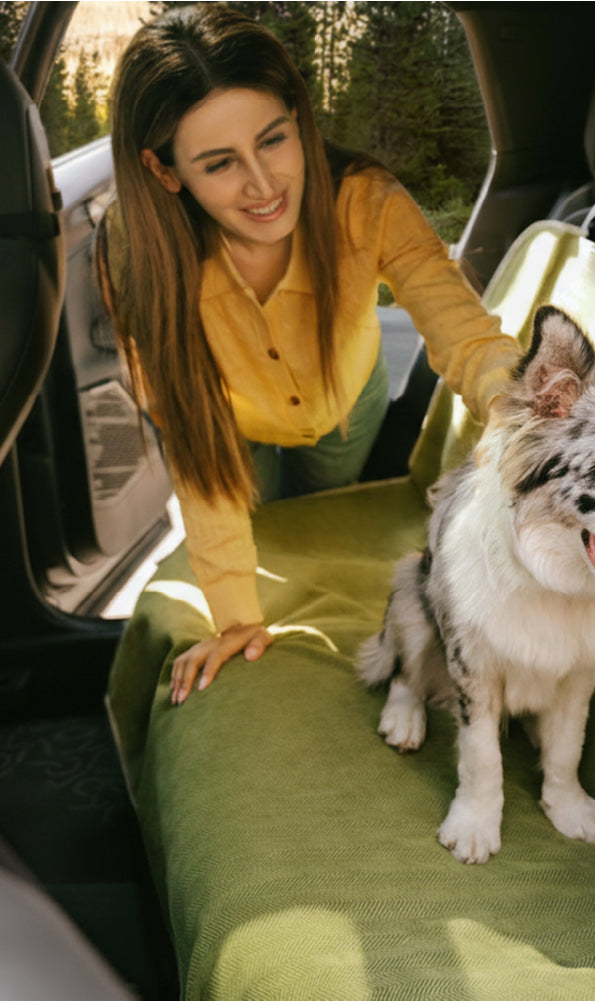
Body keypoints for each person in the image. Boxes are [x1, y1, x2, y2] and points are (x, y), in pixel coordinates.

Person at [100, 4, 520, 705]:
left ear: (298, 118)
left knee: (314, 536)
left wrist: (524, 413)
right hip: (228, 428)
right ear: (164, 170)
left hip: (343, 408)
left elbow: (466, 334)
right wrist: (235, 618)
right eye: (219, 163)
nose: (263, 185)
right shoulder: (137, 255)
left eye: (273, 140)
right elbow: (196, 449)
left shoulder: (367, 201)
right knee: (251, 541)